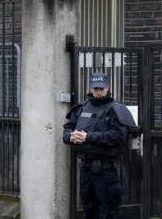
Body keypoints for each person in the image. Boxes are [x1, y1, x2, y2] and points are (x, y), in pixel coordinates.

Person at [63, 71, 137, 219]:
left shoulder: (115, 109)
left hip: (105, 171)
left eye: (101, 88)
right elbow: (66, 130)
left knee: (108, 213)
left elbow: (118, 136)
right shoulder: (81, 108)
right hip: (86, 170)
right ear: (91, 88)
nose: (98, 92)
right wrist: (71, 136)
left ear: (107, 87)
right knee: (89, 211)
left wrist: (87, 136)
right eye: (96, 89)